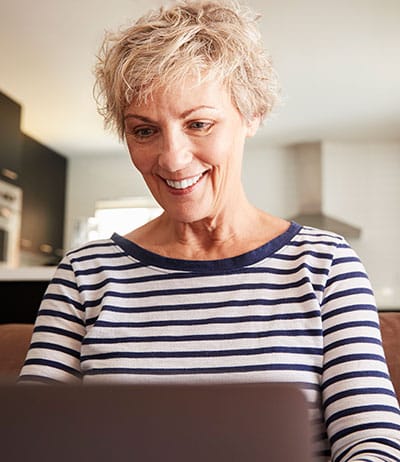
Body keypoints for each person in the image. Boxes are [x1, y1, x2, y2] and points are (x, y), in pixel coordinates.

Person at [19, 0, 400, 460]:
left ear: (251, 115)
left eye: (199, 123)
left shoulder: (326, 265)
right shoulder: (84, 274)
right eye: (144, 131)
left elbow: (371, 443)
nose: (173, 159)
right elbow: (32, 442)